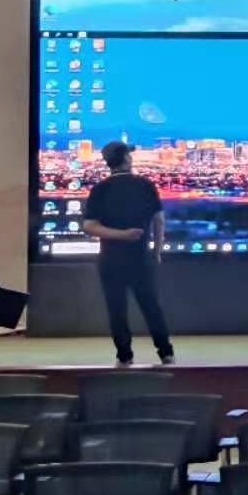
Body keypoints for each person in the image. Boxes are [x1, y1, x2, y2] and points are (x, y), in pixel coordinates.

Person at [85, 141, 174, 367]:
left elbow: (90, 226)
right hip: (140, 258)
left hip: (110, 260)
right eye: (129, 154)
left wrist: (118, 235)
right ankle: (166, 354)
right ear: (126, 158)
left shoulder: (99, 189)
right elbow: (159, 221)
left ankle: (124, 357)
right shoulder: (145, 185)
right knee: (151, 307)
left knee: (117, 310)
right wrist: (157, 251)